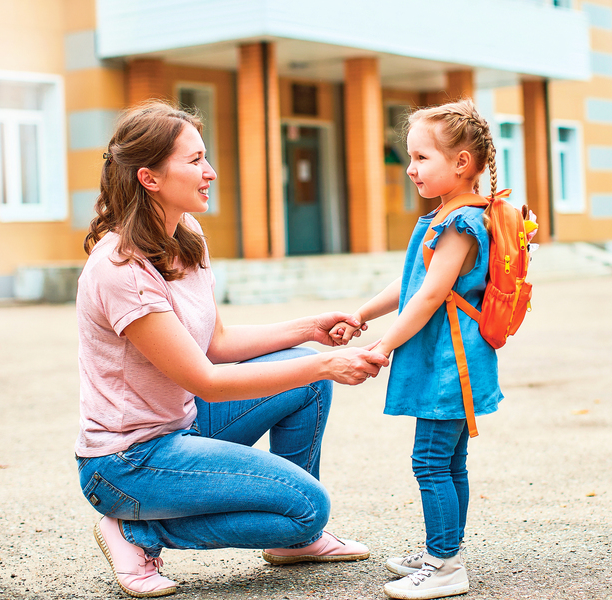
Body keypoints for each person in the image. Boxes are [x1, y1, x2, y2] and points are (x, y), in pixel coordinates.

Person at [74, 100, 389, 598]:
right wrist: (325, 363)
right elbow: (208, 381)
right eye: (195, 160)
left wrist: (309, 330)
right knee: (309, 508)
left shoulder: (185, 234)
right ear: (149, 177)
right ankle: (135, 531)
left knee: (304, 381)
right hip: (126, 463)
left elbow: (216, 344)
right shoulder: (122, 270)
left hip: (181, 426)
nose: (210, 172)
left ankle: (294, 542)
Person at [330, 99, 503, 599]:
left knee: (431, 461)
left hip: (451, 365)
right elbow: (411, 284)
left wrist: (383, 345)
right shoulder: (445, 216)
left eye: (421, 157)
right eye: (410, 157)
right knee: (449, 462)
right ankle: (441, 551)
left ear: (461, 164)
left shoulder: (461, 223)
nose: (410, 168)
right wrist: (362, 315)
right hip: (446, 359)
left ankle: (446, 566)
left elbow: (430, 296)